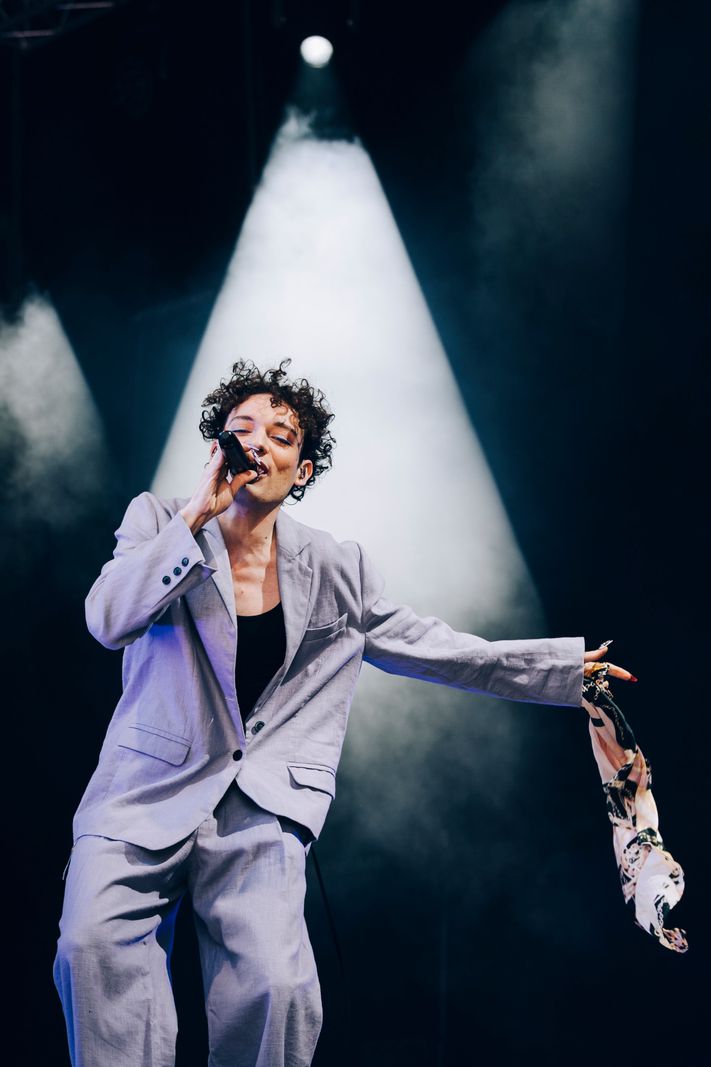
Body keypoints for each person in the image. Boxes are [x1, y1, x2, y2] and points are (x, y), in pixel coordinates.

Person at [53, 359, 636, 1067]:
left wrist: (559, 669)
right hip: (142, 796)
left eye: (280, 434)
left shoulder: (335, 567)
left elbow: (436, 649)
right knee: (89, 948)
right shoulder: (159, 520)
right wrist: (194, 516)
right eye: (241, 429)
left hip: (260, 811)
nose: (258, 443)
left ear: (301, 469)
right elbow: (106, 616)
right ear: (217, 448)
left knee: (276, 986)